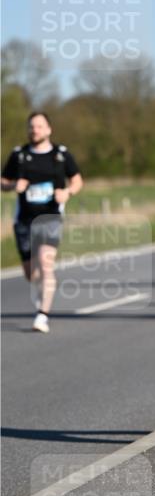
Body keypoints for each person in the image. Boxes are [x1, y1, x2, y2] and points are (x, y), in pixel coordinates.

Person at [1, 112, 83, 332]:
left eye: (39, 126)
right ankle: (40, 291)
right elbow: (3, 180)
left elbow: (77, 180)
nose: (34, 130)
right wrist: (12, 186)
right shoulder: (19, 155)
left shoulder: (61, 155)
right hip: (24, 220)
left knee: (46, 266)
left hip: (50, 217)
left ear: (49, 130)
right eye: (31, 127)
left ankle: (42, 315)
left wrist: (67, 193)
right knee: (31, 274)